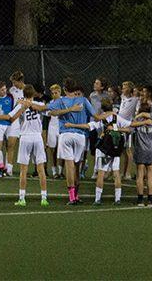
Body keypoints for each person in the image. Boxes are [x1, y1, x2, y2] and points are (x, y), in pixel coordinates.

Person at [45, 77, 98, 206]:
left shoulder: (61, 100)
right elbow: (96, 116)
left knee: (69, 166)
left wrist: (28, 103)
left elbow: (46, 109)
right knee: (77, 166)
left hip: (66, 134)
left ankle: (72, 197)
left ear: (64, 89)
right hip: (80, 137)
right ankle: (77, 195)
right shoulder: (84, 100)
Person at [10, 85, 49, 206]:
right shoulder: (39, 104)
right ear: (34, 94)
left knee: (23, 170)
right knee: (41, 169)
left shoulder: (20, 105)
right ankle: (44, 198)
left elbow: (11, 118)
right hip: (37, 138)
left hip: (25, 137)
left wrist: (22, 103)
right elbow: (47, 110)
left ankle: (22, 198)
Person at [117, 81, 140, 181]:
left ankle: (128, 173)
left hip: (128, 127)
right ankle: (124, 171)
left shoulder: (135, 100)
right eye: (123, 86)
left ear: (130, 89)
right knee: (122, 150)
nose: (123, 88)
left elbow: (137, 112)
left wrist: (132, 124)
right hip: (120, 126)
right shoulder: (123, 97)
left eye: (125, 87)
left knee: (128, 150)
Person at [5, 71, 26, 177]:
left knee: (24, 145)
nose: (13, 85)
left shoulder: (27, 90)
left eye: (15, 82)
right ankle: (8, 168)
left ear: (21, 81)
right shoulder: (12, 91)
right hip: (14, 120)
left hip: (26, 121)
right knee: (10, 145)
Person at [0, 82, 14, 177]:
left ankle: (8, 169)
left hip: (9, 124)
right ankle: (0, 167)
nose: (4, 91)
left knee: (9, 146)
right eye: (2, 90)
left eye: (5, 89)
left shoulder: (10, 98)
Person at [44, 84, 63, 179]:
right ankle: (54, 171)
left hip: (62, 127)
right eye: (53, 93)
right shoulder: (51, 103)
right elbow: (47, 113)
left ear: (60, 92)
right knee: (52, 150)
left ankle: (61, 171)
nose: (55, 95)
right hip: (52, 128)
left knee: (61, 150)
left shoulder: (64, 101)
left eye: (56, 92)